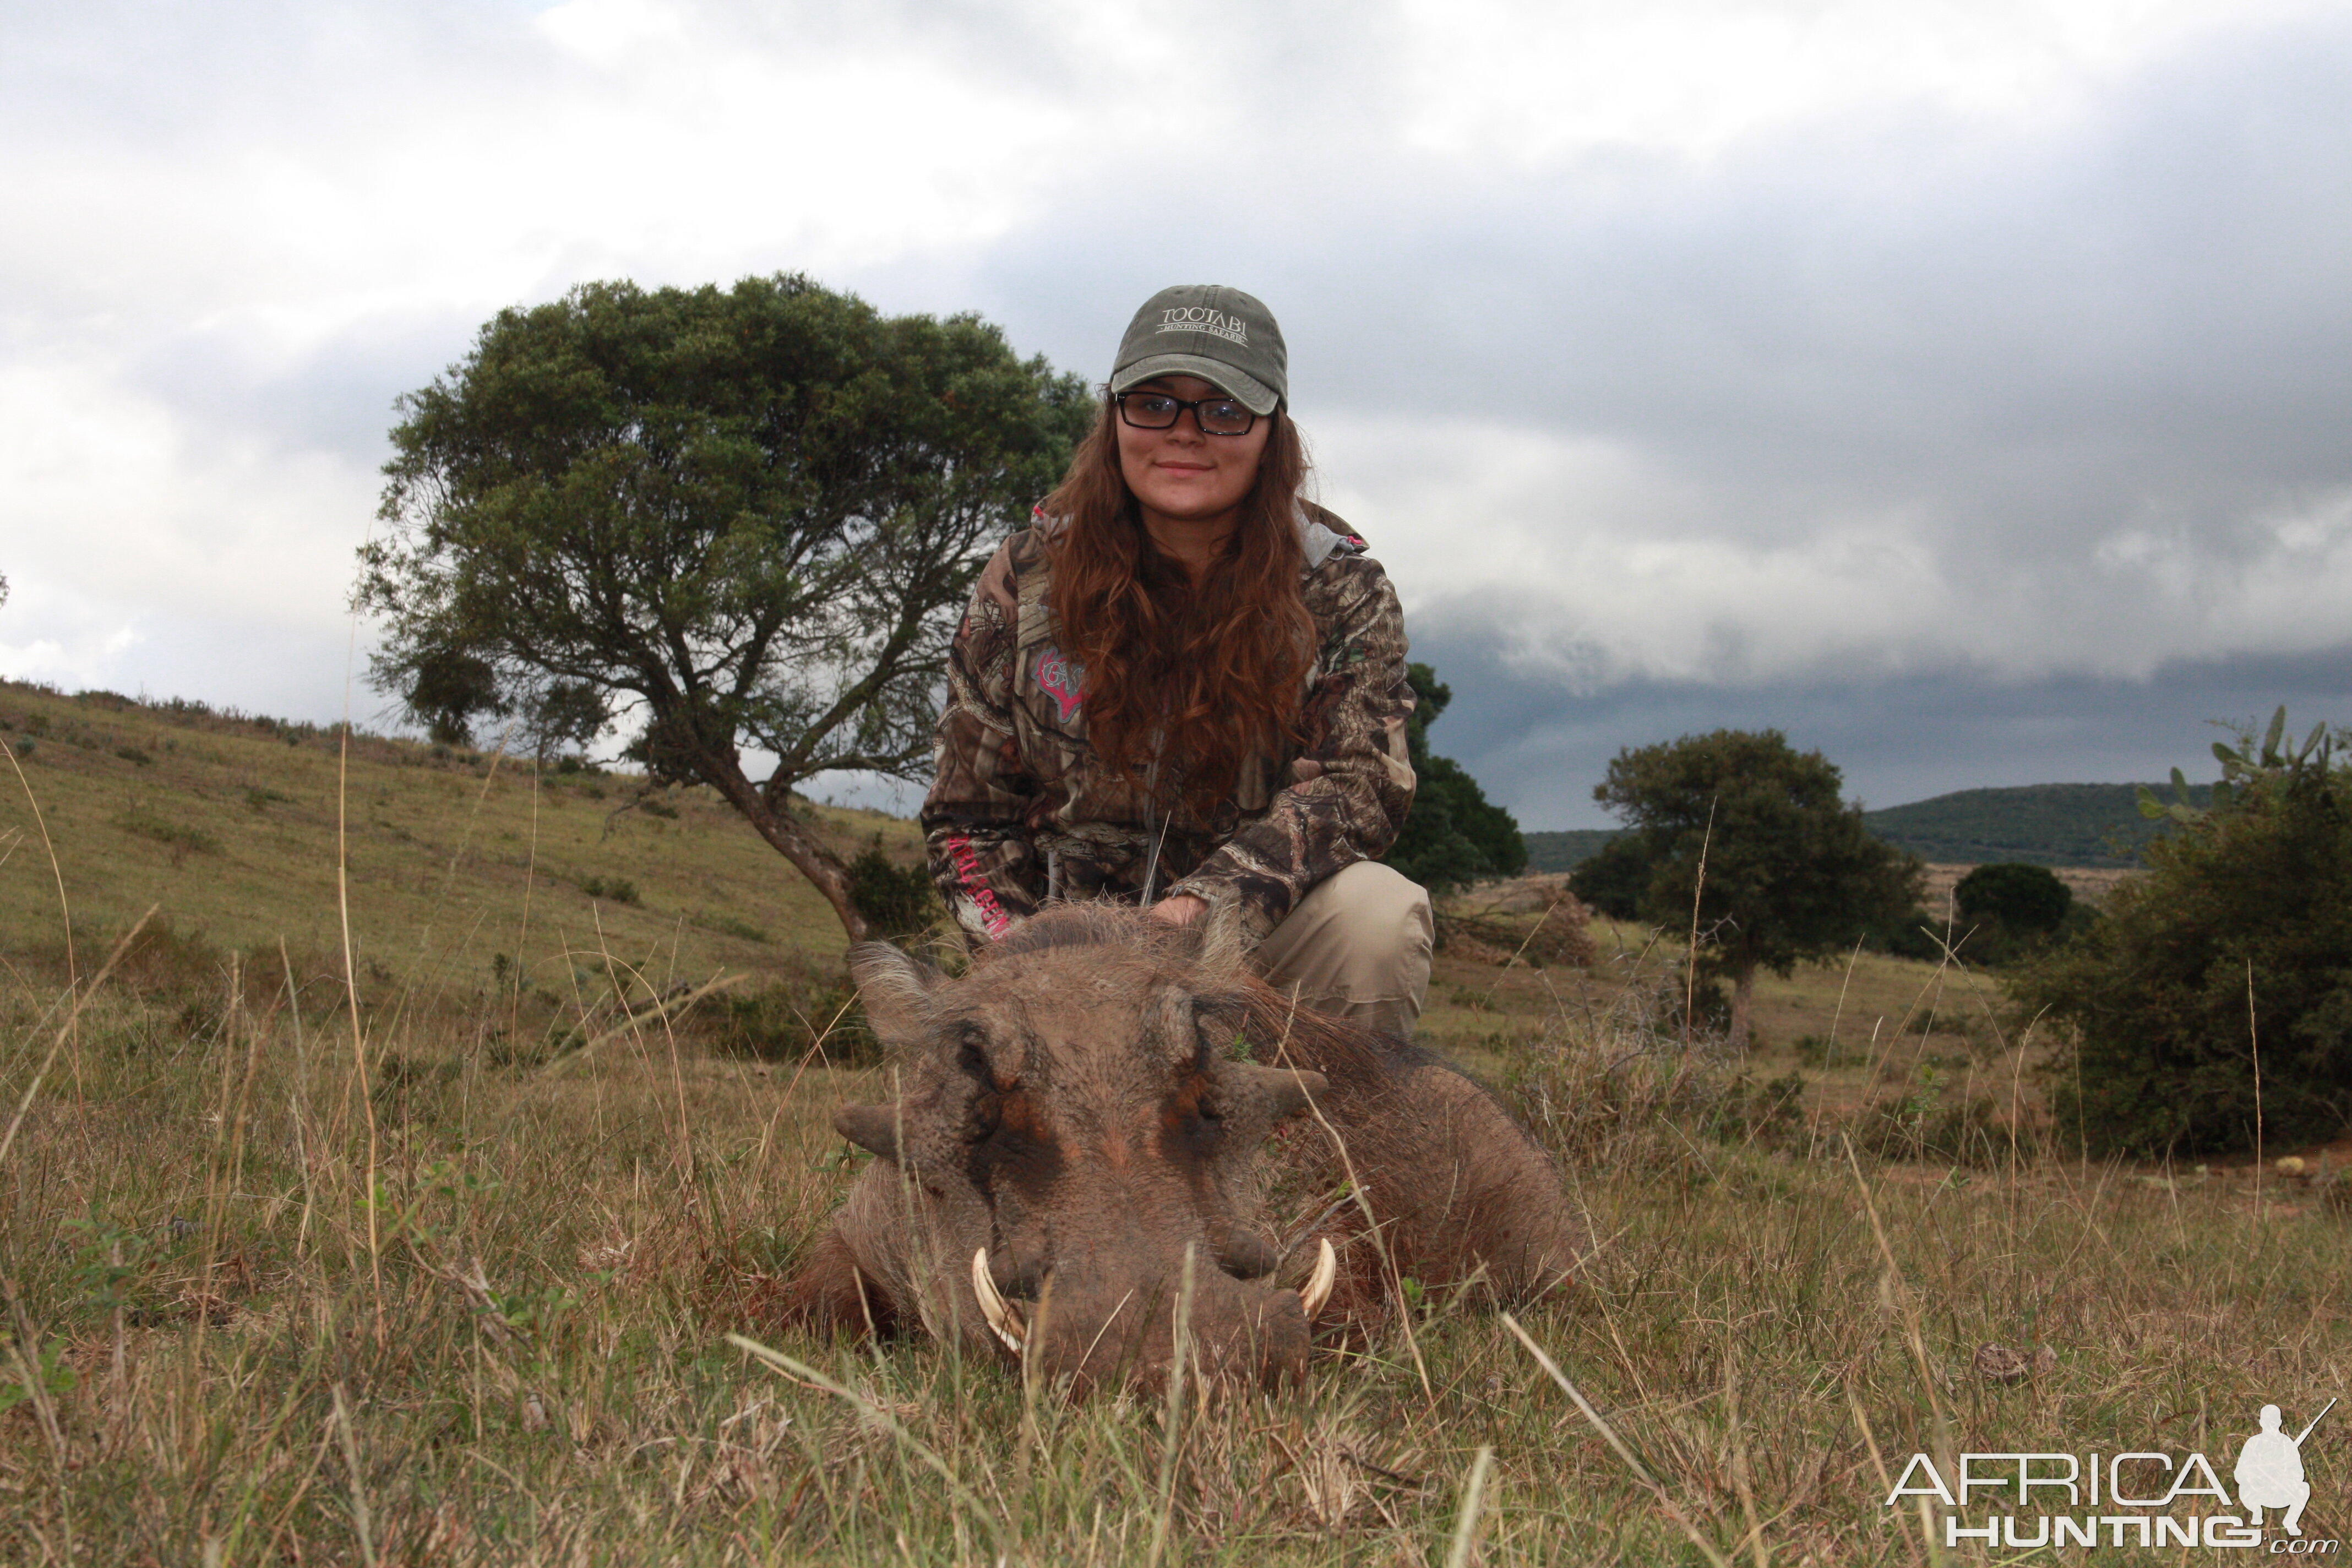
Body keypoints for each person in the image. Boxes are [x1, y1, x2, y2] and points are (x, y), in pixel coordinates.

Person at [922, 284, 1432, 1035]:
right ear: (1115, 415)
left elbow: (1363, 787)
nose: (1185, 433)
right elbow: (966, 816)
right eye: (1156, 403)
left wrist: (1203, 907)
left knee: (1379, 916)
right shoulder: (1025, 575)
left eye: (1224, 410)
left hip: (1247, 938)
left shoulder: (1339, 586)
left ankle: (1324, 1140)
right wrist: (1026, 956)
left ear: (1272, 431)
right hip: (1059, 958)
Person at [2235, 1403, 2313, 1534]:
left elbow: (2299, 1474)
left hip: (2280, 1493)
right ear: (2261, 1423)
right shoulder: (2253, 1443)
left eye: (2273, 1421)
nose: (2270, 1425)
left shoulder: (2287, 1444)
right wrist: (2259, 1474)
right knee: (2244, 1487)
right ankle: (2256, 1512)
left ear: (2279, 1423)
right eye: (2267, 1421)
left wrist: (2283, 1474)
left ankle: (2291, 1522)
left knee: (2304, 1488)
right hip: (2258, 1492)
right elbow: (2239, 1474)